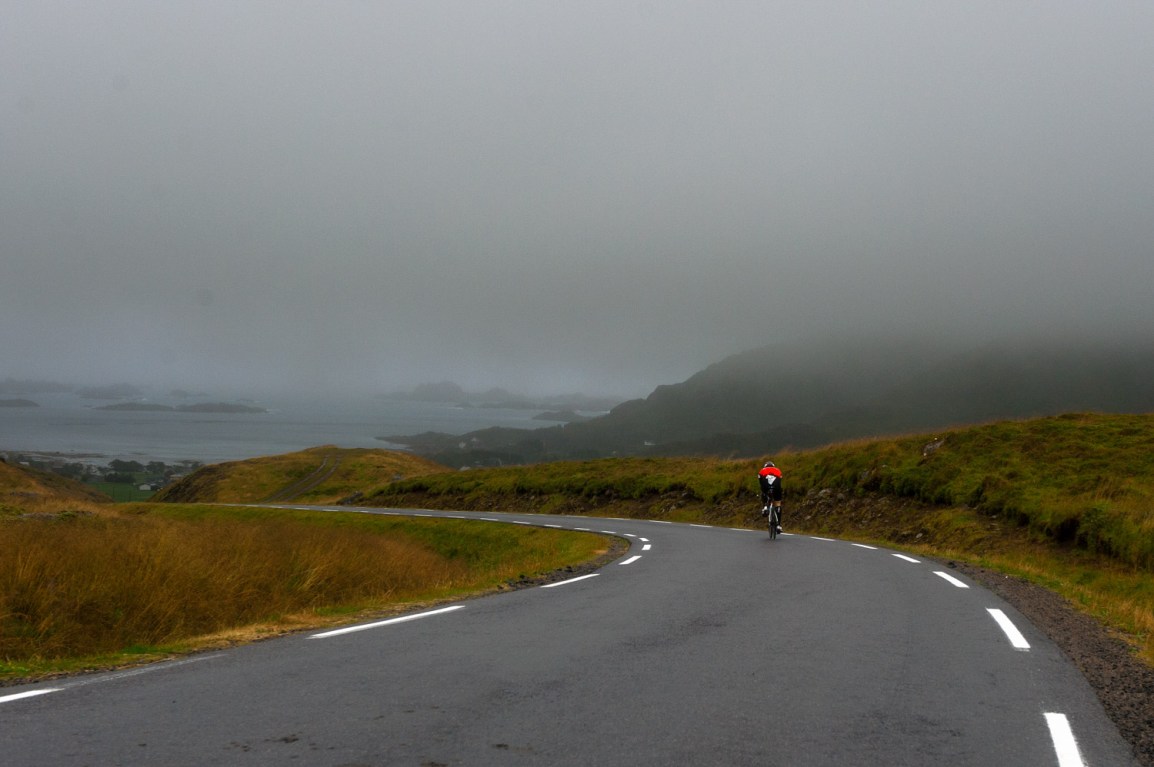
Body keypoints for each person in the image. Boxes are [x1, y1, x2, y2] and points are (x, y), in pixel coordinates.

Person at [758, 460, 783, 532]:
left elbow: (760, 481)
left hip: (766, 486)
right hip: (777, 487)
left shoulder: (762, 470)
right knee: (778, 503)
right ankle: (778, 525)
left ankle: (765, 507)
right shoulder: (778, 470)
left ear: (765, 466)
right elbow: (780, 480)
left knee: (763, 492)